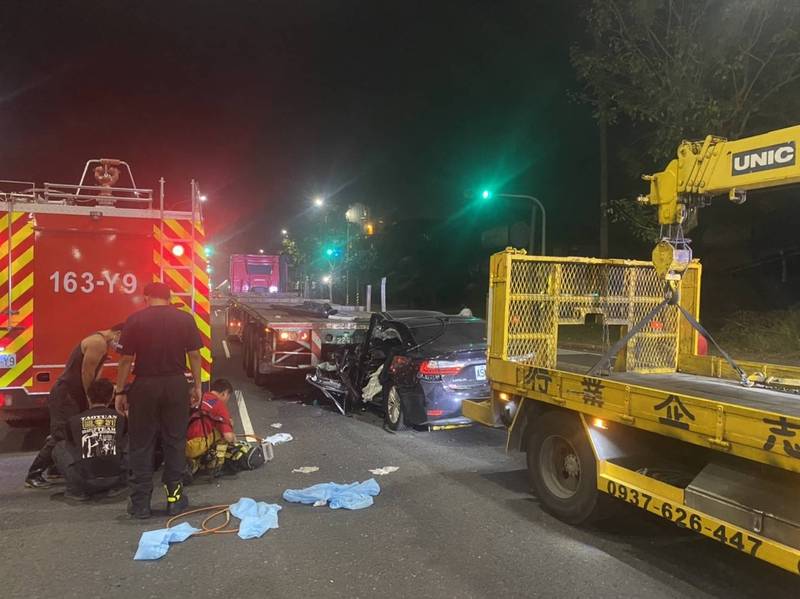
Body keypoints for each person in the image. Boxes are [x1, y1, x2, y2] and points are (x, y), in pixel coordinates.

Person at [115, 281, 203, 519]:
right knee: (174, 441)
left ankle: (141, 503)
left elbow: (125, 360)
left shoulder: (135, 320)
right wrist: (196, 386)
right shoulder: (185, 319)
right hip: (175, 385)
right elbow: (194, 355)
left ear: (146, 297)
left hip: (145, 385)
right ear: (169, 296)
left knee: (141, 443)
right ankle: (174, 500)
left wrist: (120, 391)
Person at [25, 324, 124, 488]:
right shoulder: (97, 342)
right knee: (61, 434)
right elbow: (87, 373)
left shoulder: (101, 344)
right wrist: (90, 399)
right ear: (118, 333)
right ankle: (33, 473)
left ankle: (55, 468)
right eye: (122, 339)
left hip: (70, 394)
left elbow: (93, 372)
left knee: (71, 433)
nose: (121, 344)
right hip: (66, 394)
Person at [52, 378, 127, 501]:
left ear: (88, 397)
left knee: (59, 446)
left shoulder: (73, 421)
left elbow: (70, 444)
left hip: (84, 481)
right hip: (116, 479)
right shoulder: (121, 419)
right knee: (129, 440)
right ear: (111, 397)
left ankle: (75, 490)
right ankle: (123, 484)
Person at [185, 378, 240, 479]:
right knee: (223, 432)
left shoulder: (200, 397)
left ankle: (193, 463)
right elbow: (228, 436)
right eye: (228, 396)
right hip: (196, 445)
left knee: (208, 427)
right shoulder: (219, 405)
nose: (227, 400)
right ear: (224, 393)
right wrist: (233, 438)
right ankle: (216, 465)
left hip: (180, 443)